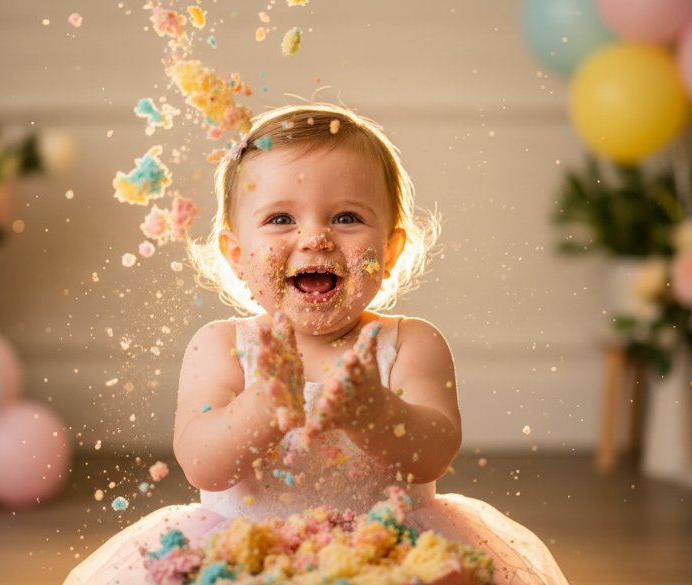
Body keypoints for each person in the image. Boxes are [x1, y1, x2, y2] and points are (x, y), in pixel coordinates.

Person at [65, 104, 569, 585]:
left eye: (346, 217)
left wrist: (374, 413)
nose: (316, 238)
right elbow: (202, 464)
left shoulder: (408, 344)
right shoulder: (222, 347)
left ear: (391, 250)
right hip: (248, 557)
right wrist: (261, 408)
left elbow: (433, 455)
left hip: (386, 555)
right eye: (281, 219)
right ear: (236, 254)